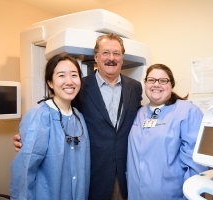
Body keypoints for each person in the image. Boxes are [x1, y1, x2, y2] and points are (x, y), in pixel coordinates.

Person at [13, 33, 143, 200]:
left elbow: (139, 122)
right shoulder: (79, 87)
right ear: (96, 56)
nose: (111, 58)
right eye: (105, 53)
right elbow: (56, 115)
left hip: (126, 173)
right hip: (91, 175)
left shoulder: (135, 87)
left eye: (116, 53)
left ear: (122, 57)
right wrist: (27, 139)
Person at [10, 53, 90, 200]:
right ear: (50, 82)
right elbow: (24, 172)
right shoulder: (39, 116)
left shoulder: (79, 117)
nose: (69, 81)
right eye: (61, 75)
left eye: (74, 75)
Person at [126, 63, 208, 200]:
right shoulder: (139, 113)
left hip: (171, 194)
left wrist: (190, 196)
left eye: (163, 81)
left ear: (171, 84)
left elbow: (197, 165)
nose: (156, 84)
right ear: (145, 83)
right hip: (136, 193)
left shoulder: (187, 111)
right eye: (151, 80)